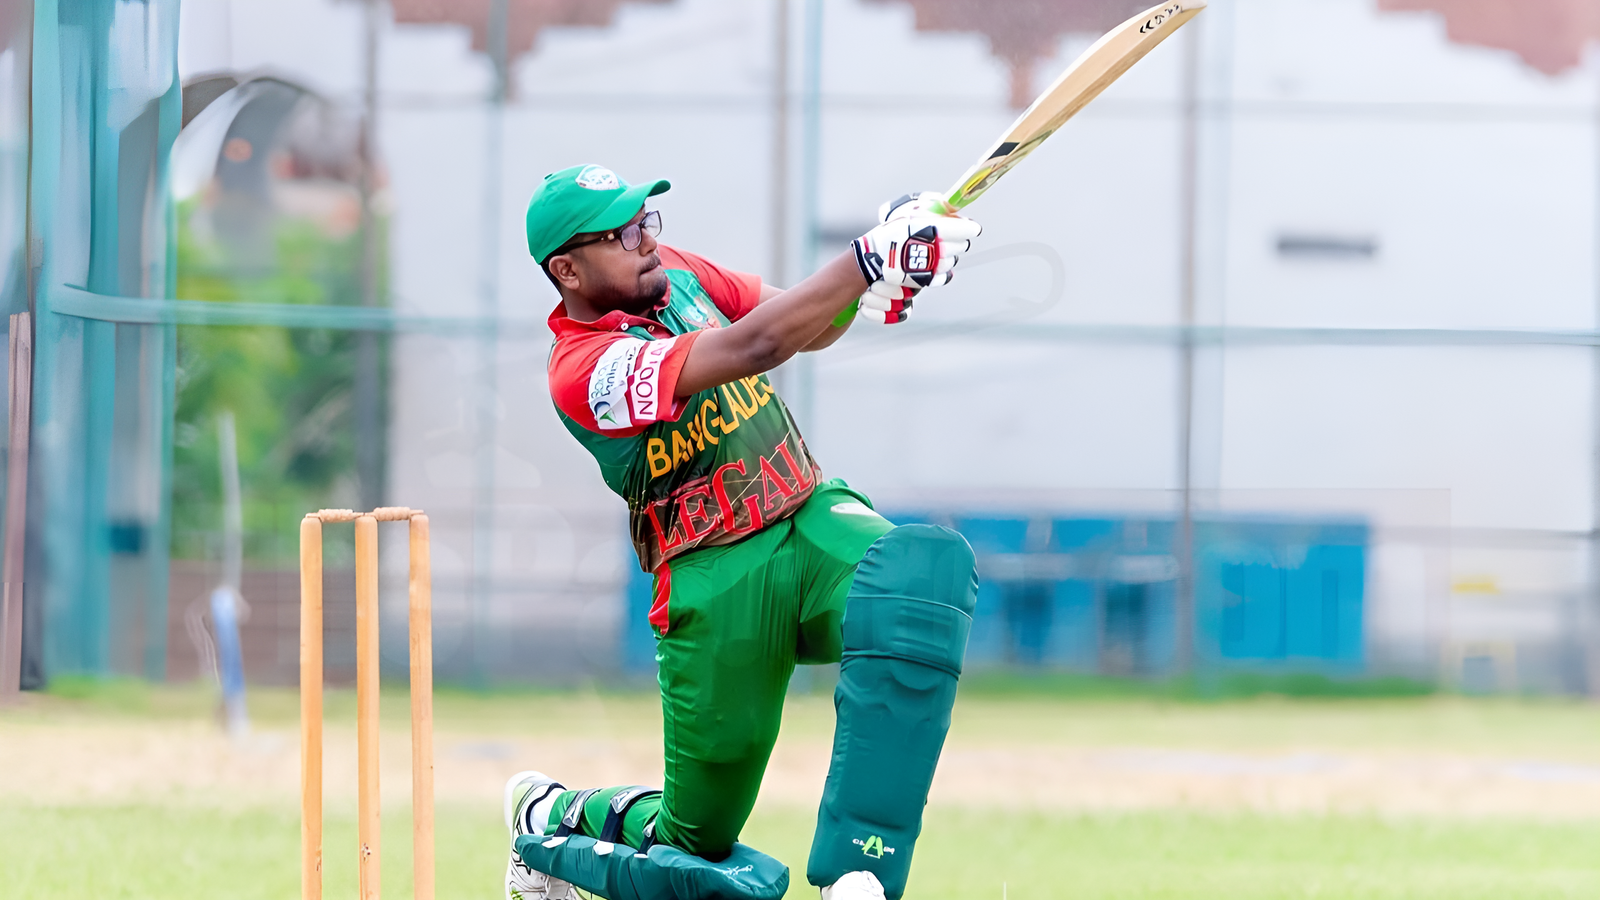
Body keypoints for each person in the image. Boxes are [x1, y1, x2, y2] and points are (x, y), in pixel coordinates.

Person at [505, 164, 983, 900]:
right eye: (623, 233)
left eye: (645, 223)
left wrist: (884, 282)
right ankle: (547, 823)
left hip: (807, 518)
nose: (646, 242)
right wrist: (865, 259)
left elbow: (804, 324)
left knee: (921, 578)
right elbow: (754, 347)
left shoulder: (677, 275)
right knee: (696, 850)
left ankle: (861, 869)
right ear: (567, 269)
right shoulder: (582, 369)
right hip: (714, 579)